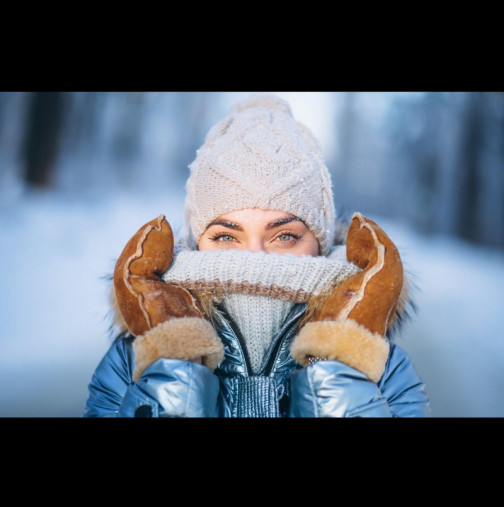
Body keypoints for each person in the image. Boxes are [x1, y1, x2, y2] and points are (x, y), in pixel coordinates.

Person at [84, 94, 430, 418]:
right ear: (196, 241)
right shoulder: (135, 362)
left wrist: (341, 377)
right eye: (225, 236)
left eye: (284, 236)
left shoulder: (379, 368)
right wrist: (172, 381)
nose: (254, 259)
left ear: (320, 245)